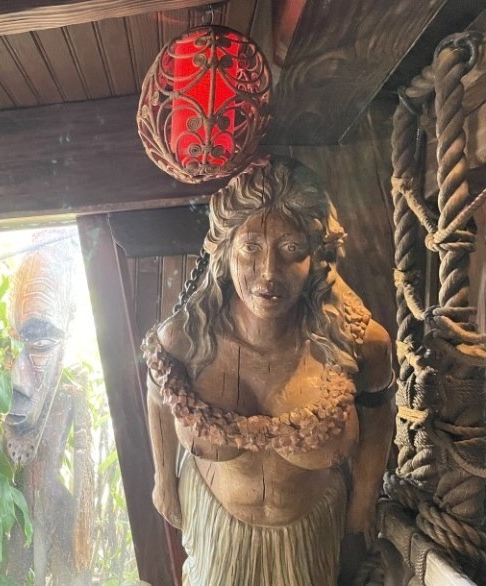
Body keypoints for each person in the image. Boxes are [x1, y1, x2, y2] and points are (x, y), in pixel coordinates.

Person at [143, 156, 395, 585]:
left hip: (309, 532)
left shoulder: (358, 342)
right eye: (251, 248)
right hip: (217, 525)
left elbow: (379, 416)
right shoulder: (184, 339)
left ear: (317, 257)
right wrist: (163, 479)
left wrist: (365, 499)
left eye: (292, 249)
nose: (268, 274)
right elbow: (157, 395)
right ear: (225, 250)